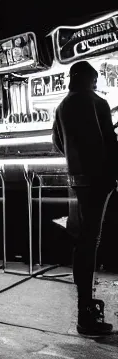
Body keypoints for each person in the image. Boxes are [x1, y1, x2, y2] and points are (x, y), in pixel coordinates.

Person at [52, 60, 118, 336]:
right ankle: (86, 316)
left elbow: (56, 142)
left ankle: (84, 307)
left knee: (82, 243)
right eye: (95, 80)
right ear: (91, 79)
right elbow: (110, 145)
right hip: (99, 181)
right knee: (93, 241)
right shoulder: (99, 103)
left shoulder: (63, 106)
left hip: (76, 181)